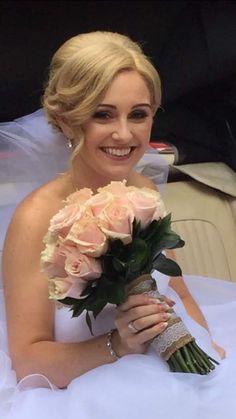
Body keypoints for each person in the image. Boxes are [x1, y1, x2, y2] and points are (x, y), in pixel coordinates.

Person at [0, 31, 236, 419]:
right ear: (66, 121)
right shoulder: (36, 217)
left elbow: (179, 292)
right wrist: (119, 344)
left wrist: (206, 346)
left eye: (138, 114)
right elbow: (29, 363)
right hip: (85, 393)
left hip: (177, 375)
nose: (125, 135)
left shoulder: (142, 191)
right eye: (103, 114)